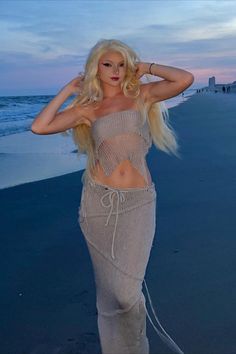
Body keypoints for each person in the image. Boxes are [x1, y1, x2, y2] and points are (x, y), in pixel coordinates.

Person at [31, 38, 194, 354]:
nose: (116, 71)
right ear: (96, 68)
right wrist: (68, 89)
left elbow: (184, 79)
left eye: (121, 64)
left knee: (124, 291)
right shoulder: (86, 109)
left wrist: (142, 67)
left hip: (138, 203)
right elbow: (39, 127)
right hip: (97, 204)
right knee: (110, 292)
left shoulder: (142, 95)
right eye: (108, 64)